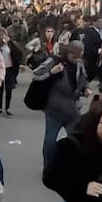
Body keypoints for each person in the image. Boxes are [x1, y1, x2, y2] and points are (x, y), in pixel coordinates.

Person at [33, 40, 90, 169]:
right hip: (55, 109)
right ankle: (48, 166)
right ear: (67, 53)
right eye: (73, 56)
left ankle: (71, 166)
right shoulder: (54, 61)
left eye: (79, 56)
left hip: (73, 108)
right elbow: (36, 74)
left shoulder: (80, 63)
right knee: (51, 140)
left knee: (76, 139)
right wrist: (51, 73)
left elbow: (83, 78)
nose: (76, 59)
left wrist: (85, 88)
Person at [0, 28, 23, 116]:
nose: (1, 36)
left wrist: (9, 43)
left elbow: (19, 52)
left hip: (10, 68)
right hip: (0, 68)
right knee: (0, 88)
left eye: (3, 34)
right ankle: (0, 107)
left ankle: (7, 107)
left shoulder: (11, 44)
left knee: (9, 88)